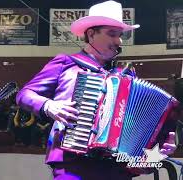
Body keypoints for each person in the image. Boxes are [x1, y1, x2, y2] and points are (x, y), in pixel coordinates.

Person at [16, 1, 177, 179]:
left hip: (117, 169)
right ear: (91, 34)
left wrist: (159, 154)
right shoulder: (66, 63)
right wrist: (49, 106)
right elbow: (24, 94)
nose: (119, 40)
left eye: (120, 35)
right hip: (72, 164)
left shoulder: (127, 78)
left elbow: (142, 145)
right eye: (112, 34)